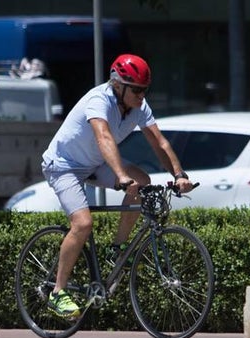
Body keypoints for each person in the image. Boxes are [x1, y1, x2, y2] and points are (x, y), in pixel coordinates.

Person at [40, 53, 195, 318]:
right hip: (64, 165)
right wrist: (121, 175)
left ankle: (118, 248)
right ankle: (57, 292)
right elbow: (103, 137)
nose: (141, 95)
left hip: (94, 163)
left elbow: (159, 143)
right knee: (83, 224)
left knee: (143, 182)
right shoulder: (99, 100)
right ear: (118, 85)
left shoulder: (138, 107)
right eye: (136, 90)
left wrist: (180, 174)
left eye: (144, 90)